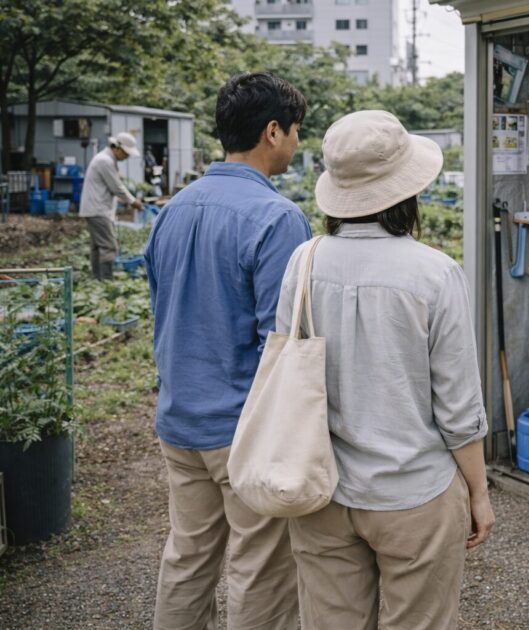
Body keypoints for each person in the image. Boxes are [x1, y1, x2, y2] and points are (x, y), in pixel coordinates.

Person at [277, 110, 495, 630]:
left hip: (322, 491)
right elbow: (458, 407)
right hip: (414, 494)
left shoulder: (303, 262)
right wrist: (479, 493)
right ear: (406, 191)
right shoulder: (435, 273)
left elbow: (290, 372)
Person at [144, 72, 311, 629]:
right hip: (243, 429)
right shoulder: (277, 217)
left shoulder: (174, 208)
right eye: (294, 131)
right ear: (272, 131)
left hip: (179, 418)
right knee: (258, 569)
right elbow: (282, 341)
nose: (295, 142)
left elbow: (163, 306)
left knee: (188, 557)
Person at [78, 131, 143, 280]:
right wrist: (133, 202)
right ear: (116, 147)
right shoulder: (105, 161)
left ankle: (97, 278)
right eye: (125, 154)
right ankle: (106, 280)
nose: (126, 157)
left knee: (97, 247)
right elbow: (117, 187)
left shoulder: (105, 159)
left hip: (95, 209)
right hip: (98, 210)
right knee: (109, 246)